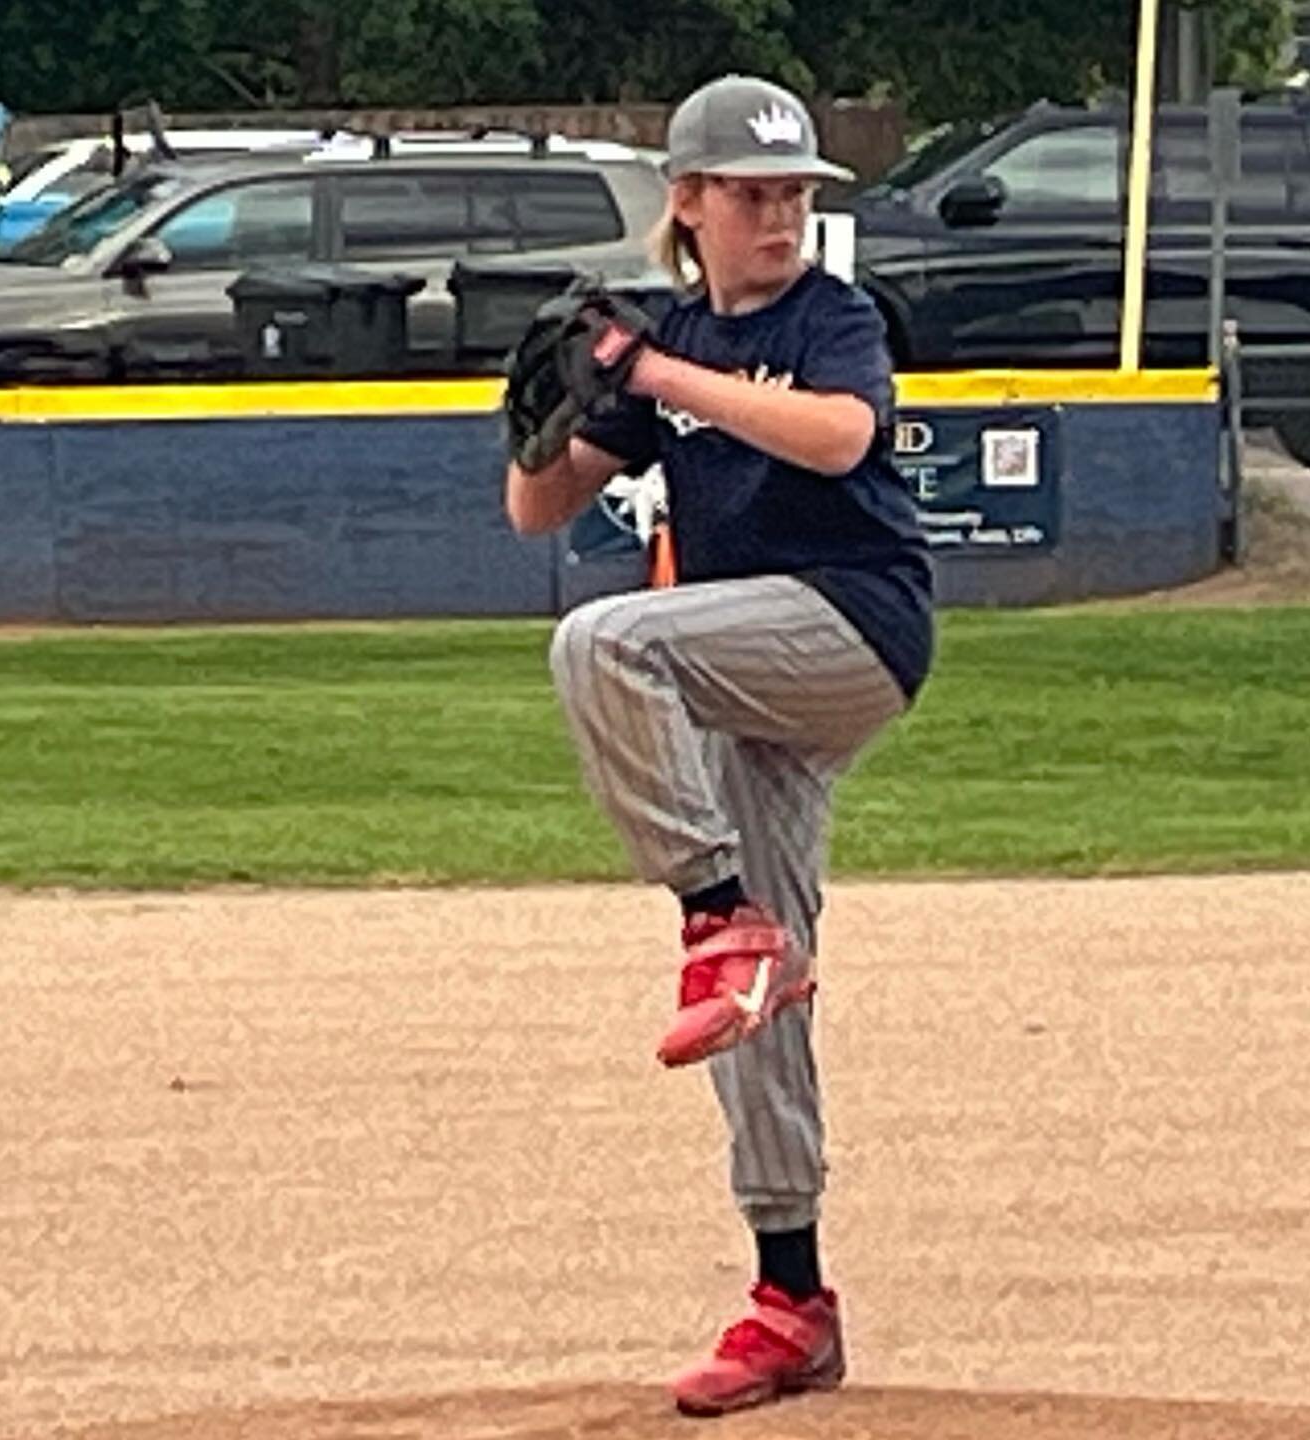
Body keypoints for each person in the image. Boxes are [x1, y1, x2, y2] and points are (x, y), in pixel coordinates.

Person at [504, 73, 935, 1416]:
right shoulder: (669, 331)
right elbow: (537, 511)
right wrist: (547, 415)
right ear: (685, 204)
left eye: (796, 193)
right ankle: (791, 1296)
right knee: (759, 1007)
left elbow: (838, 434)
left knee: (603, 640)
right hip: (744, 679)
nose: (779, 215)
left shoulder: (830, 315)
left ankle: (711, 910)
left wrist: (661, 372)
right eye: (751, 193)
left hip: (852, 633)